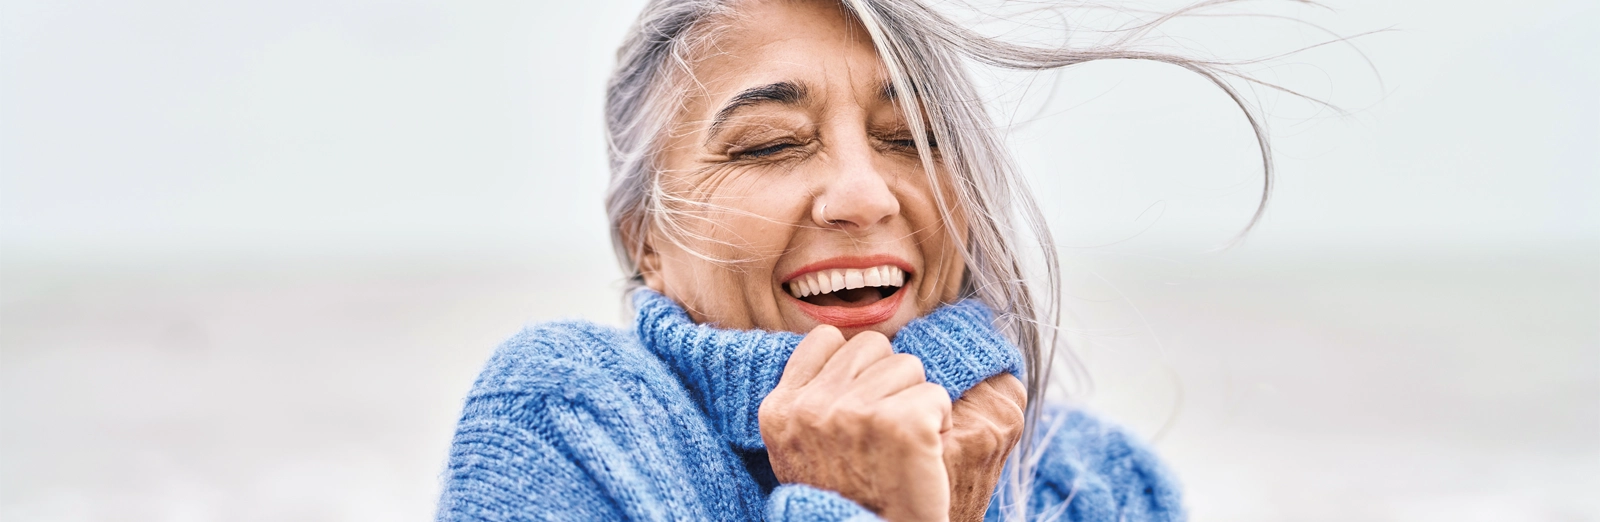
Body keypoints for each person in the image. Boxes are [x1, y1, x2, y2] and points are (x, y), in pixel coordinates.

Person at [439, 0, 1272, 519]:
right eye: (769, 146)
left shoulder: (1095, 482)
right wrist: (858, 507)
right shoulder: (571, 417)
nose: (863, 195)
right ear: (644, 240)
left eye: (911, 138)